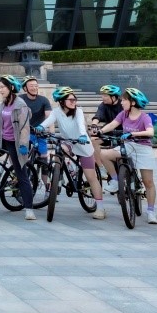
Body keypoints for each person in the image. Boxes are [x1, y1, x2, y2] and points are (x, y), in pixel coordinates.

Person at [39, 87, 106, 219]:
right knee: (58, 153)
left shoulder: (78, 112)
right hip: (68, 142)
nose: (73, 101)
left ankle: (100, 208)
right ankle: (59, 174)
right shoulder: (57, 112)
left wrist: (82, 135)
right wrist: (40, 127)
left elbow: (81, 125)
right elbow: (48, 121)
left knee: (91, 177)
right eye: (70, 99)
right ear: (62, 101)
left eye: (74, 99)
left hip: (82, 144)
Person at [96, 86, 157, 224]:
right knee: (104, 155)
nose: (122, 102)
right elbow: (112, 124)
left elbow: (150, 132)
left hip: (143, 148)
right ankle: (115, 180)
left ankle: (151, 211)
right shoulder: (123, 114)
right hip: (128, 146)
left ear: (133, 103)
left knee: (148, 182)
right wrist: (100, 131)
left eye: (124, 100)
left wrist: (133, 133)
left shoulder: (144, 117)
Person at [0, 75, 36, 220]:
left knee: (21, 174)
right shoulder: (4, 103)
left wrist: (23, 145)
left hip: (16, 143)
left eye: (3, 87)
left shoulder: (20, 105)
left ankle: (29, 209)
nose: (0, 90)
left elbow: (24, 127)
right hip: (2, 141)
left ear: (11, 88)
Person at [20, 77, 52, 157]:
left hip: (40, 132)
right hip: (25, 133)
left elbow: (50, 117)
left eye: (36, 85)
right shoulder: (20, 99)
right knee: (23, 158)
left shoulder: (44, 100)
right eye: (31, 86)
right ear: (25, 88)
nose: (34, 88)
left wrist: (52, 132)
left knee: (43, 157)